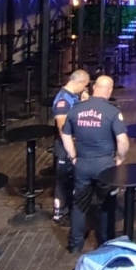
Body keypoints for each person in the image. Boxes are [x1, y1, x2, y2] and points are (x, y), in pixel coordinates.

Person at [60, 75, 128, 253]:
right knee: (106, 203)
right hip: (105, 165)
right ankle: (105, 242)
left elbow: (65, 135)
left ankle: (75, 244)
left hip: (82, 163)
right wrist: (120, 158)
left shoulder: (76, 108)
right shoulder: (112, 111)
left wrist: (73, 156)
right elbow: (122, 140)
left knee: (79, 204)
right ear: (110, 90)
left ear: (93, 87)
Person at [52, 70, 90, 223]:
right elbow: (63, 129)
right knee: (63, 181)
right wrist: (71, 149)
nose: (84, 89)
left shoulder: (73, 97)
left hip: (74, 144)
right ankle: (60, 212)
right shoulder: (63, 101)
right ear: (78, 83)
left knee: (72, 178)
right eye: (84, 86)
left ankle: (72, 208)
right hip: (65, 147)